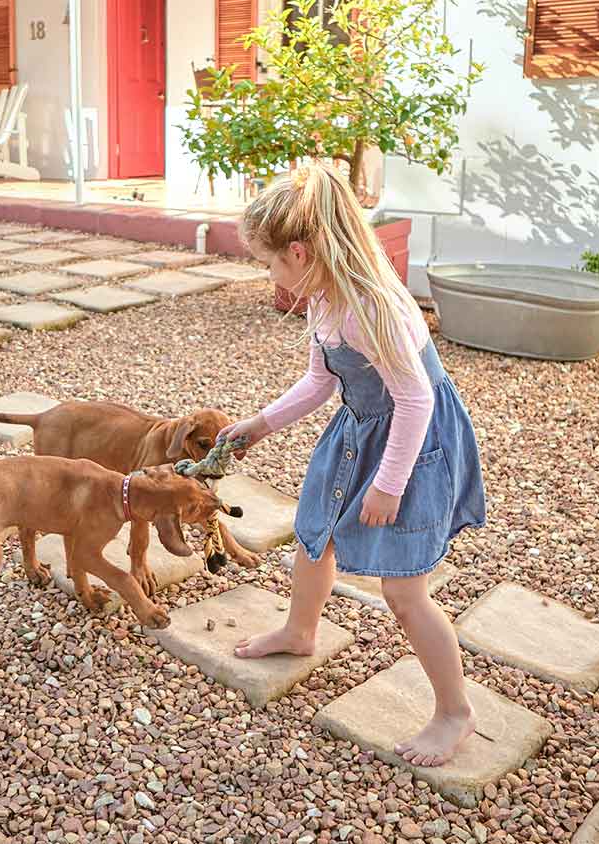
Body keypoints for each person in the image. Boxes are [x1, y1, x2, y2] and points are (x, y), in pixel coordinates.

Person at [217, 160, 487, 766]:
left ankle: (454, 711)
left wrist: (389, 486)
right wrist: (260, 424)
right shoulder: (323, 296)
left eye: (268, 262)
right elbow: (320, 381)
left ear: (300, 250)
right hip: (360, 430)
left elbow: (416, 400)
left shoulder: (372, 307)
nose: (269, 275)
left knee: (404, 590)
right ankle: (300, 631)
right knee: (314, 538)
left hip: (411, 446)